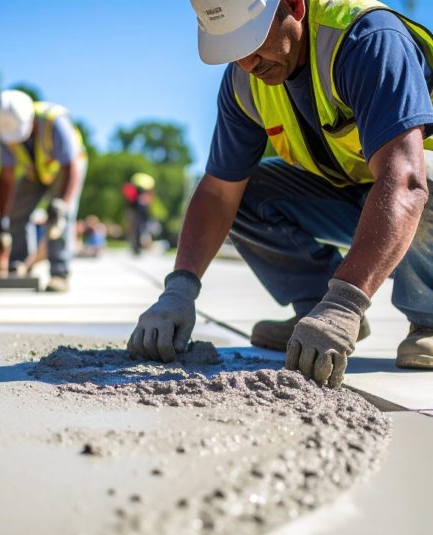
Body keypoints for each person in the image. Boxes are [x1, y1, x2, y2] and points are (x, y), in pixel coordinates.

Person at [128, 0, 433, 388]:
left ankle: (427, 317)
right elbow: (220, 193)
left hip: (415, 188)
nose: (247, 63)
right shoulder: (244, 81)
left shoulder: (365, 38)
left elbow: (405, 181)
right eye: (234, 48)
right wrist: (179, 289)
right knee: (246, 196)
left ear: (294, 6)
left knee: (422, 176)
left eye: (253, 42)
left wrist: (346, 303)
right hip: (365, 190)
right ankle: (314, 310)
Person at [0, 90, 88, 292]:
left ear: (31, 119)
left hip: (65, 170)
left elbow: (71, 167)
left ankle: (59, 274)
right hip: (33, 171)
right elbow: (6, 177)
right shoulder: (6, 130)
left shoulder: (55, 121)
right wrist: (2, 221)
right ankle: (18, 264)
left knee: (60, 217)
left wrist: (62, 203)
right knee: (17, 211)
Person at [123, 172, 156, 255]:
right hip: (137, 213)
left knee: (138, 231)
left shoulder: (142, 192)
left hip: (139, 214)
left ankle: (138, 247)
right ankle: (136, 247)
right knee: (136, 231)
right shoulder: (138, 192)